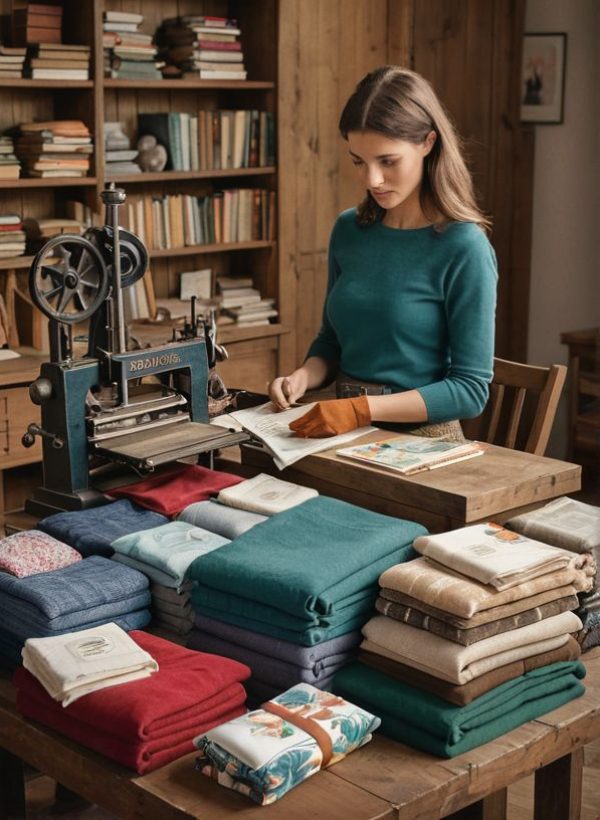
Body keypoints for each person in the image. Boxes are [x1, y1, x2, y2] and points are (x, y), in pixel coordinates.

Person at [269, 65, 498, 440]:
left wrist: (360, 410)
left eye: (388, 161)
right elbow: (331, 341)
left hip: (423, 439)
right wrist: (302, 378)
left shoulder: (465, 247)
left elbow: (471, 391)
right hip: (340, 427)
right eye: (359, 161)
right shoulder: (348, 230)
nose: (371, 180)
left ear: (428, 143)